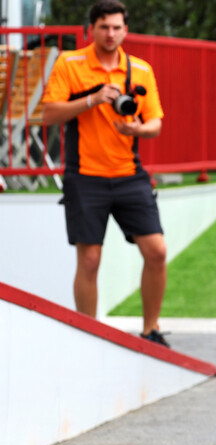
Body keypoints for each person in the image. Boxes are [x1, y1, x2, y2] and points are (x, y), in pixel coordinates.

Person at [41, 0, 169, 347]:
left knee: (156, 251)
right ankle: (88, 336)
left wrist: (139, 131)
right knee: (90, 258)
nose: (110, 34)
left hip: (129, 174)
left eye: (116, 27)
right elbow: (48, 114)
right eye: (103, 27)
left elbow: (156, 122)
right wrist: (93, 99)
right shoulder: (71, 63)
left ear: (125, 30)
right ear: (91, 29)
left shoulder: (139, 69)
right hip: (85, 176)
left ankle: (151, 330)